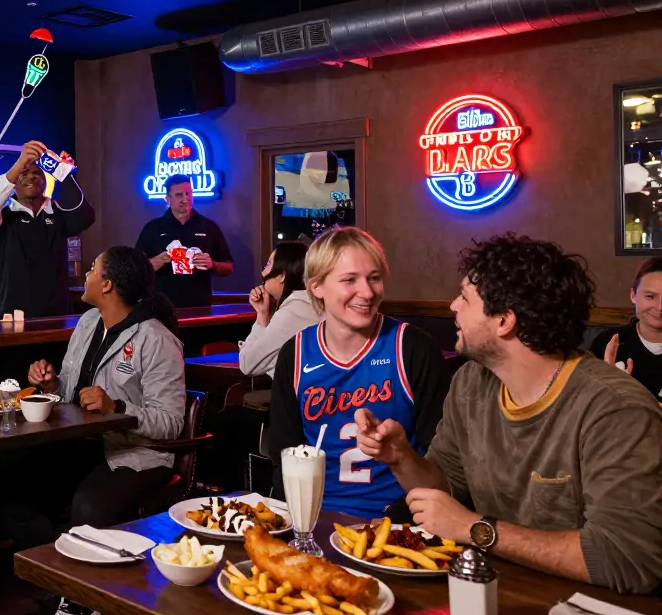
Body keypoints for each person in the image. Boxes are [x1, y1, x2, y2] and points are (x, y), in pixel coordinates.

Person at [355, 234, 662, 594]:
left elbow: (627, 559)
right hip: (495, 591)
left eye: (464, 297)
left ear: (504, 321)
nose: (452, 306)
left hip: (595, 610)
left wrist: (475, 529)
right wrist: (401, 459)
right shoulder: (470, 381)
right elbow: (445, 488)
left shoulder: (615, 409)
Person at [27, 246, 185, 615]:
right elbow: (70, 389)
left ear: (108, 284)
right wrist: (51, 383)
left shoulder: (156, 339)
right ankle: (64, 581)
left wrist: (117, 407)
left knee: (89, 503)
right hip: (80, 443)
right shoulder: (87, 323)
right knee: (12, 487)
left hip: (137, 454)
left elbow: (171, 422)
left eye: (93, 269)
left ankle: (80, 602)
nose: (86, 274)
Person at [268, 227, 450, 520]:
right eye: (350, 280)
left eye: (374, 278)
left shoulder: (412, 348)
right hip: (315, 518)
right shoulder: (296, 353)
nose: (367, 292)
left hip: (397, 522)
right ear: (317, 286)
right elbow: (284, 454)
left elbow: (443, 465)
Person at [0, 141, 95, 318]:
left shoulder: (57, 214)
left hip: (58, 317)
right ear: (14, 183)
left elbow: (86, 217)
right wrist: (19, 164)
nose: (31, 177)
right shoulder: (2, 218)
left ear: (45, 182)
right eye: (24, 173)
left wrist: (64, 172)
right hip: (14, 320)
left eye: (37, 173)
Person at [134, 175, 233, 307]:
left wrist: (213, 264)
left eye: (188, 194)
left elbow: (228, 267)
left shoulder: (209, 227)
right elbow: (136, 270)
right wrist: (154, 262)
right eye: (179, 195)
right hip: (161, 308)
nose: (185, 199)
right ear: (167, 199)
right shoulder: (153, 228)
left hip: (200, 306)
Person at [239, 241, 319, 378]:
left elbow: (248, 364)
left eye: (268, 264)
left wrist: (262, 317)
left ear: (282, 275)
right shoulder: (310, 302)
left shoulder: (294, 311)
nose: (263, 272)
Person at [590, 257, 662, 400]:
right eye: (650, 296)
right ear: (633, 296)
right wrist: (608, 383)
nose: (659, 307)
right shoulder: (607, 342)